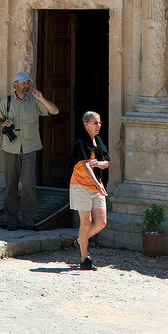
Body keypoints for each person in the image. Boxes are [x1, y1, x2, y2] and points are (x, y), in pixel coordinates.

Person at [0, 72, 59, 230]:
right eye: (23, 83)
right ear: (15, 85)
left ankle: (28, 218)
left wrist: (42, 99)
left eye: (27, 83)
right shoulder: (7, 101)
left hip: (30, 148)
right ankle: (12, 220)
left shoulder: (34, 101)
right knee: (10, 185)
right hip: (11, 148)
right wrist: (4, 123)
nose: (26, 85)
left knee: (29, 184)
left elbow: (55, 111)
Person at [69, 110, 110, 271]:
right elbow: (86, 165)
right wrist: (98, 184)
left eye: (99, 122)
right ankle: (84, 258)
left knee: (101, 222)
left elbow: (106, 162)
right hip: (81, 185)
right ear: (86, 124)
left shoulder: (98, 140)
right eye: (95, 123)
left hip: (96, 185)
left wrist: (98, 164)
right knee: (86, 222)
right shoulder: (81, 141)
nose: (98, 125)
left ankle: (81, 240)